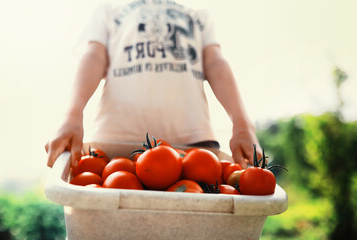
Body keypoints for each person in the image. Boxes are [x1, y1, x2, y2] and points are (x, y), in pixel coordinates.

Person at [45, 0, 262, 169]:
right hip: (113, 147)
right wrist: (72, 116)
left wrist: (243, 125)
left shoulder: (198, 14)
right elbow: (93, 58)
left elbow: (216, 64)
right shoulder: (109, 9)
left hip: (194, 147)